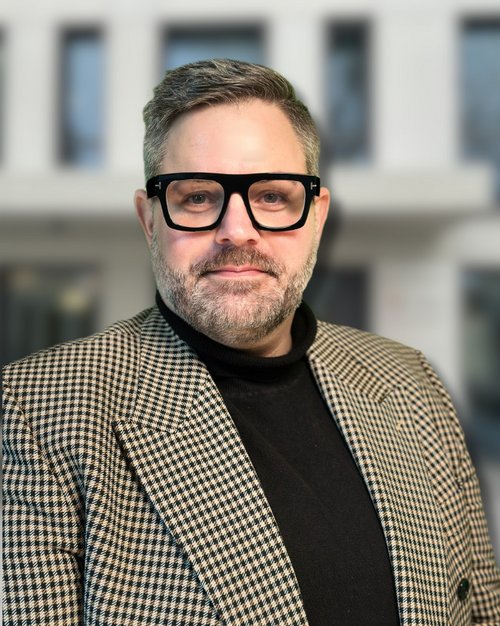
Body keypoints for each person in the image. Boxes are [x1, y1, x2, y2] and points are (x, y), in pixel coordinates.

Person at [2, 59, 499, 626]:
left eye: (271, 196)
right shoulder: (35, 411)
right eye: (196, 197)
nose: (237, 230)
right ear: (149, 220)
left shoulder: (411, 382)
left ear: (316, 217)